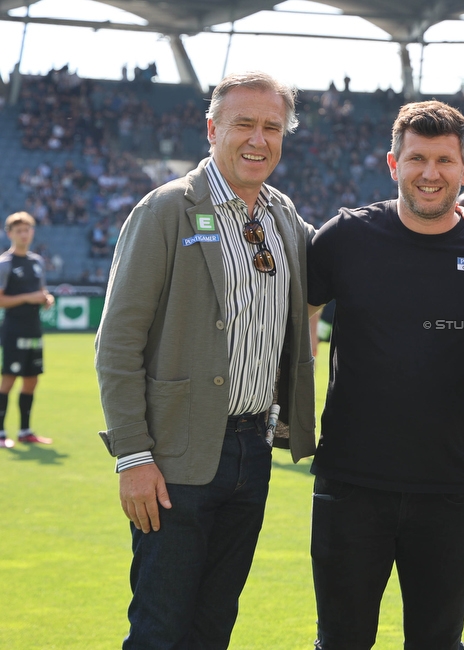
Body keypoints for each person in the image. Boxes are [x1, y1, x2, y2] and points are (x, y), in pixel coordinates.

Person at [94, 71, 317, 650]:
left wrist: (441, 219)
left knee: (213, 626)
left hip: (252, 451)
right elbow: (117, 342)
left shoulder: (283, 215)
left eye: (272, 127)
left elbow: (353, 254)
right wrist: (133, 457)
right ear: (213, 127)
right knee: (160, 629)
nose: (258, 139)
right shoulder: (166, 208)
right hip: (173, 457)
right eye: (244, 123)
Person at [306, 100, 464, 649]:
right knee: (341, 641)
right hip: (350, 484)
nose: (429, 174)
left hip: (448, 486)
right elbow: (292, 317)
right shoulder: (345, 237)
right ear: (393, 164)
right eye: (416, 159)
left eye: (443, 160)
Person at [0, 211, 55, 448]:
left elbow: (40, 291)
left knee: (31, 380)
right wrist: (29, 297)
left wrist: (45, 298)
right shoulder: (5, 264)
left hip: (34, 329)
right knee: (9, 379)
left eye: (27, 230)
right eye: (19, 230)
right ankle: (1, 433)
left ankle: (25, 431)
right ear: (9, 233)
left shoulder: (36, 261)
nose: (24, 234)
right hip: (13, 329)